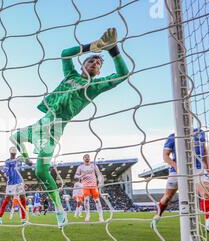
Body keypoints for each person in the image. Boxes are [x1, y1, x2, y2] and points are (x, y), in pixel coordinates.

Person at [10, 28, 128, 228]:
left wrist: (113, 49)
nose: (95, 63)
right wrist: (93, 46)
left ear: (99, 71)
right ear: (83, 64)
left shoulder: (95, 85)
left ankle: (58, 209)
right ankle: (26, 157)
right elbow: (65, 55)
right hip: (42, 121)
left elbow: (123, 74)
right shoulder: (70, 75)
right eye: (91, 60)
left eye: (98, 63)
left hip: (55, 128)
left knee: (41, 172)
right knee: (15, 137)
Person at [151, 128, 209, 232]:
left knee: (207, 191)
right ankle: (158, 215)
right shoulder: (173, 136)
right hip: (177, 169)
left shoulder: (200, 133)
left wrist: (208, 167)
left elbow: (205, 151)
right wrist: (177, 167)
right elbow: (165, 156)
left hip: (198, 167)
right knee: (168, 197)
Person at [0, 147, 28, 224]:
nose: (13, 153)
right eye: (12, 152)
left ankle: (23, 219)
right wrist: (4, 170)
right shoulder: (8, 161)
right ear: (10, 153)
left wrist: (24, 159)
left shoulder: (19, 160)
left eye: (14, 151)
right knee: (7, 199)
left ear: (16, 153)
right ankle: (0, 217)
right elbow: (7, 172)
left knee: (23, 199)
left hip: (19, 183)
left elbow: (23, 166)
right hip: (11, 183)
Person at [75, 154, 105, 222]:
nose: (87, 158)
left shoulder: (94, 165)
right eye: (85, 157)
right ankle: (87, 215)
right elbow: (75, 175)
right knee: (86, 200)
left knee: (97, 200)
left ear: (90, 159)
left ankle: (101, 216)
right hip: (85, 186)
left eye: (88, 157)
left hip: (94, 186)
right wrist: (80, 176)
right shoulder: (80, 167)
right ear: (83, 159)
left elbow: (99, 174)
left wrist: (100, 182)